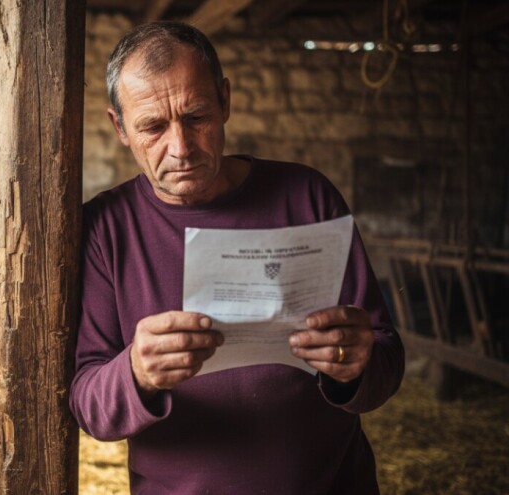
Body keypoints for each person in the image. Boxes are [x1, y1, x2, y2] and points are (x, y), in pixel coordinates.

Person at [68, 21, 404, 494]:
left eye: (197, 116)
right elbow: (89, 406)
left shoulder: (307, 196)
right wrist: (136, 373)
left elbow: (387, 360)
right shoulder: (106, 229)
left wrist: (355, 365)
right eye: (153, 126)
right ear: (119, 127)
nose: (180, 148)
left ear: (225, 101)